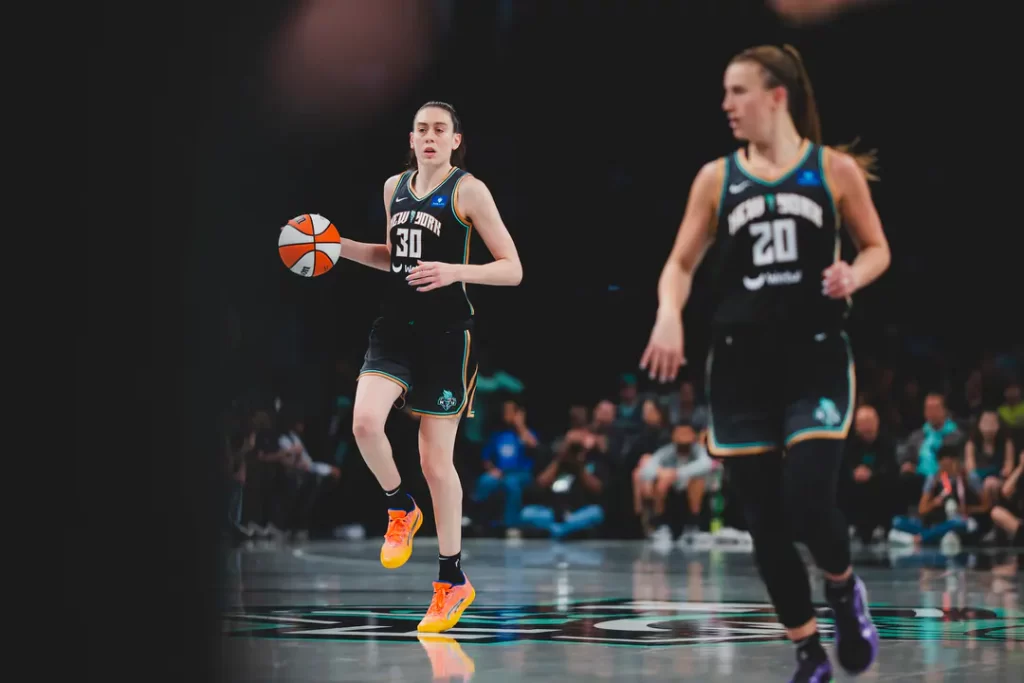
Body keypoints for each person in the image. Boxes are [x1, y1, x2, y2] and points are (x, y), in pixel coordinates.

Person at [640, 45, 891, 682]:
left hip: (814, 359)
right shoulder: (715, 178)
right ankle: (808, 652)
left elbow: (877, 248)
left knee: (808, 499)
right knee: (764, 522)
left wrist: (854, 273)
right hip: (740, 368)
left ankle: (843, 590)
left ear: (777, 96)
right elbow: (679, 264)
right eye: (725, 92)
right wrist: (669, 313)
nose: (726, 104)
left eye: (738, 91)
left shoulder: (832, 170)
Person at [338, 101, 523, 632]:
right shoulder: (393, 187)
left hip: (446, 337)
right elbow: (392, 257)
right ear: (412, 138)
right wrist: (338, 247)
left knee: (436, 464)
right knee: (365, 422)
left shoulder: (469, 190)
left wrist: (453, 271)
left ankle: (451, 580)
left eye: (440, 129)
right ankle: (400, 506)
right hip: (395, 329)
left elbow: (512, 269)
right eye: (422, 129)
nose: (430, 136)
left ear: (455, 140)